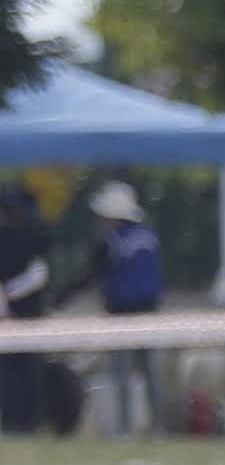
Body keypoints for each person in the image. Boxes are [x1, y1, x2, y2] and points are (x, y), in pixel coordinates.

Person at [78, 179, 158, 432]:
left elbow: (91, 275)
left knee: (121, 371)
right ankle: (157, 426)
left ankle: (124, 427)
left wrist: (61, 297)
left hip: (121, 312)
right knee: (150, 372)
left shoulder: (111, 242)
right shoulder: (149, 236)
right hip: (151, 311)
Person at [0, 182, 57, 436]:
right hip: (27, 314)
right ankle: (29, 420)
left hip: (15, 315)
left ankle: (19, 421)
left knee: (15, 371)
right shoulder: (36, 236)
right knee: (26, 370)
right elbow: (40, 275)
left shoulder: (28, 237)